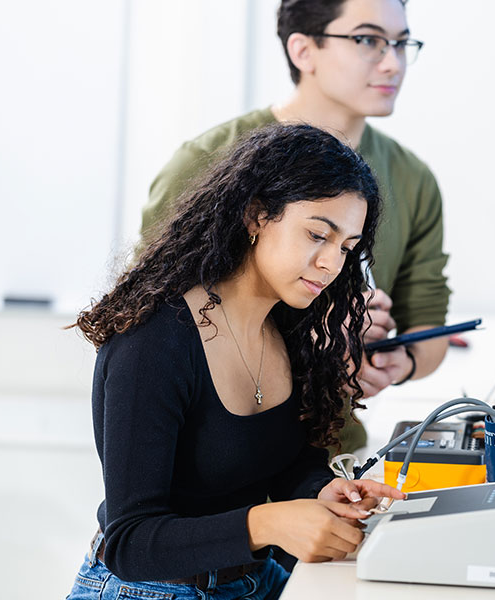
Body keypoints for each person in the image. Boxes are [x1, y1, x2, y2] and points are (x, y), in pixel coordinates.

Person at [66, 124, 405, 600]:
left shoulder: (289, 328)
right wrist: (266, 521)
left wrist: (322, 494)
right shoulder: (153, 343)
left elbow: (289, 468)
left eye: (346, 248)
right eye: (317, 235)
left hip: (248, 580)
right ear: (256, 216)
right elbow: (131, 542)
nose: (332, 264)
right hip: (148, 589)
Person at [141, 0, 450, 453]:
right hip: (214, 471)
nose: (393, 62)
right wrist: (317, 330)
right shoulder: (209, 161)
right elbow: (145, 322)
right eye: (368, 40)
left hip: (334, 458)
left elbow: (429, 323)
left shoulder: (413, 179)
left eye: (402, 43)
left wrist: (389, 361)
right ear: (303, 50)